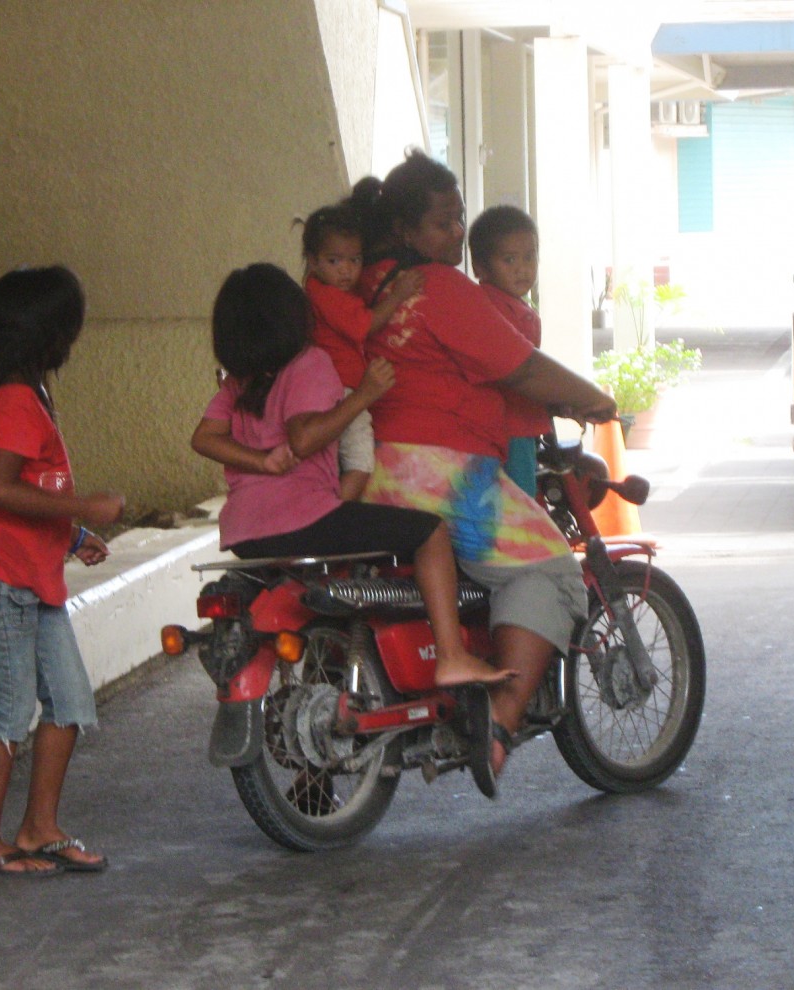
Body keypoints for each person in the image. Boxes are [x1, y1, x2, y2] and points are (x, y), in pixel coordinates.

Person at [347, 150, 617, 795]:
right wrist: (592, 397)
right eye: (443, 222)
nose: (457, 234)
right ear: (406, 229)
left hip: (371, 473)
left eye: (459, 218)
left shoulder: (363, 286)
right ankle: (499, 719)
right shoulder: (437, 288)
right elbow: (519, 365)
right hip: (444, 478)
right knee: (549, 565)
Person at [190, 262, 511, 692]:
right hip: (303, 521)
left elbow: (204, 438)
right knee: (431, 532)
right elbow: (304, 437)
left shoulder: (240, 382)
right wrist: (365, 395)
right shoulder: (308, 363)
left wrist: (261, 461)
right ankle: (452, 656)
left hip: (245, 534)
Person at [0, 266, 124, 879]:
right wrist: (85, 507)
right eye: (69, 325)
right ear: (47, 331)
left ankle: (38, 829)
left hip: (32, 579)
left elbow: (28, 487)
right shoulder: (14, 398)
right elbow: (0, 490)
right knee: (7, 710)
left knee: (69, 703)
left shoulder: (30, 394)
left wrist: (71, 535)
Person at [300, 204, 425, 501]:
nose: (346, 269)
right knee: (360, 462)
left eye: (354, 260)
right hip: (343, 391)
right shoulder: (327, 295)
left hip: (336, 388)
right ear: (313, 261)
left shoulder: (325, 290)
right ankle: (331, 509)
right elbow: (365, 325)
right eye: (334, 260)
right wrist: (399, 294)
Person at [468, 205, 551, 496]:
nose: (522, 268)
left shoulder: (515, 307)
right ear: (480, 267)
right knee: (519, 502)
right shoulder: (492, 308)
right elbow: (523, 371)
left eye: (530, 256)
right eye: (509, 259)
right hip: (510, 429)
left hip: (510, 426)